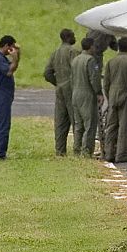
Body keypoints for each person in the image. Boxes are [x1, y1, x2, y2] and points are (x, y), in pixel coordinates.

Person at [102, 37, 127, 163]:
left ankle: (108, 153)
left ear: (118, 47)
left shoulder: (111, 61)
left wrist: (109, 96)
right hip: (125, 94)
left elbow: (106, 82)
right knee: (124, 126)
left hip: (113, 94)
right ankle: (121, 155)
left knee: (111, 126)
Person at [43, 28, 78, 156]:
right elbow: (77, 69)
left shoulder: (55, 53)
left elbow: (47, 73)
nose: (75, 38)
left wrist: (57, 82)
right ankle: (78, 149)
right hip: (72, 89)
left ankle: (60, 150)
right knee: (76, 119)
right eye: (73, 36)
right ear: (68, 37)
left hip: (60, 89)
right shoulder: (73, 52)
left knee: (60, 121)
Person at [0, 35, 19, 160]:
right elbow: (10, 71)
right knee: (2, 123)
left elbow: (13, 67)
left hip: (4, 94)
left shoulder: (1, 58)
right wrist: (15, 57)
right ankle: (0, 153)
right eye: (11, 47)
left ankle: (1, 151)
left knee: (4, 122)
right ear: (6, 46)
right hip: (1, 93)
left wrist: (17, 56)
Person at [69, 36, 100, 157]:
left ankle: (76, 150)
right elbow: (94, 79)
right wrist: (99, 93)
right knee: (89, 124)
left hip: (75, 93)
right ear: (91, 46)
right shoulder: (90, 60)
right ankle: (86, 151)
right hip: (87, 94)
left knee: (78, 125)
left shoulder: (75, 60)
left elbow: (71, 78)